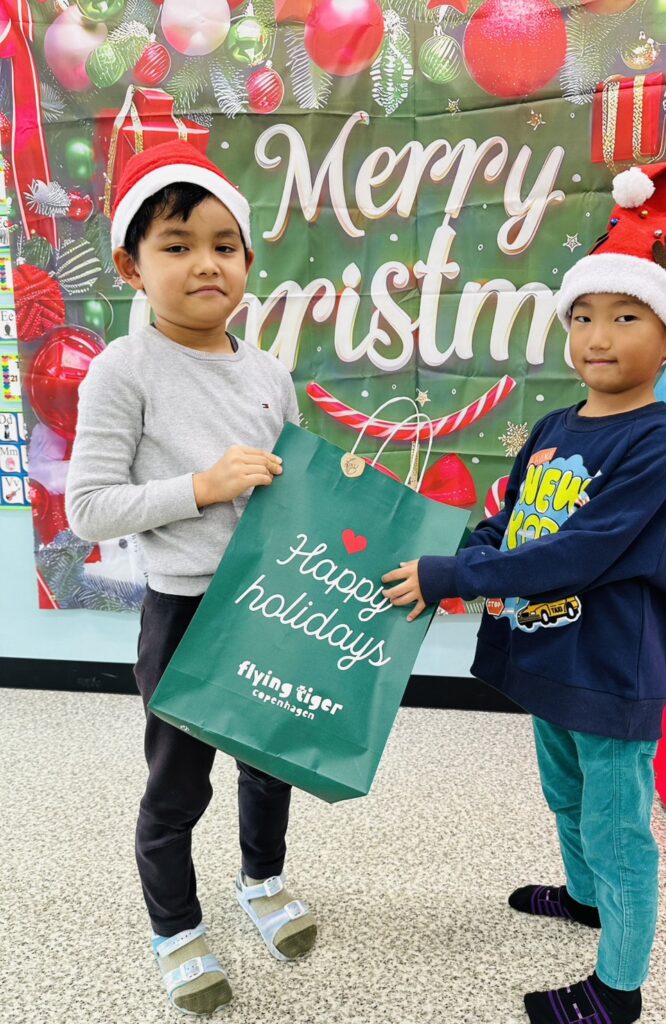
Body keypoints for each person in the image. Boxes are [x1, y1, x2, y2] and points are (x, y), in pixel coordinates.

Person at [383, 162, 666, 1024]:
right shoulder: (558, 427)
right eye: (584, 315)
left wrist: (457, 577)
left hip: (609, 667)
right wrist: (460, 554)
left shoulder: (656, 441)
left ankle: (618, 990)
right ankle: (586, 898)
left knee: (617, 827)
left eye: (626, 317)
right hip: (549, 652)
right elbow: (512, 518)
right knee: (565, 796)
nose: (598, 335)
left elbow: (577, 553)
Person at [66, 141, 317, 1017]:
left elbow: (289, 492)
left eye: (223, 244)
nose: (205, 263)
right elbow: (88, 509)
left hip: (267, 607)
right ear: (132, 267)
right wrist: (201, 487)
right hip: (183, 615)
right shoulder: (123, 369)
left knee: (271, 764)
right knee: (178, 785)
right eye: (177, 245)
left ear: (248, 261)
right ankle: (174, 927)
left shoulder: (269, 372)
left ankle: (262, 879)